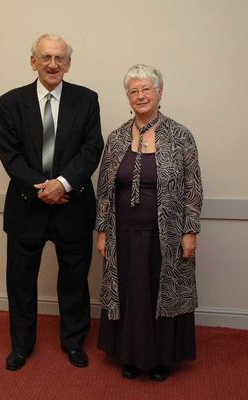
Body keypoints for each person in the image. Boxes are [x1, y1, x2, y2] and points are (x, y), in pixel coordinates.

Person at [0, 34, 103, 371]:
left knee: (74, 282)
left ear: (68, 63)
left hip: (73, 205)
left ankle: (74, 343)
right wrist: (41, 186)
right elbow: (9, 153)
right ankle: (21, 346)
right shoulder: (11, 102)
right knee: (21, 284)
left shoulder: (87, 100)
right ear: (34, 62)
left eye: (59, 58)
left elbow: (91, 149)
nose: (53, 64)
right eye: (46, 57)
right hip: (27, 206)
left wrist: (62, 183)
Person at [96, 64, 203, 381]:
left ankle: (160, 359)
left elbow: (192, 187)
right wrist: (102, 231)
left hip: (167, 234)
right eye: (134, 91)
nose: (140, 96)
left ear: (159, 93)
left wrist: (190, 231)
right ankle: (130, 355)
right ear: (127, 97)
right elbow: (104, 189)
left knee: (161, 293)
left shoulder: (181, 136)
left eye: (146, 89)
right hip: (123, 234)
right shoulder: (116, 138)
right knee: (131, 293)